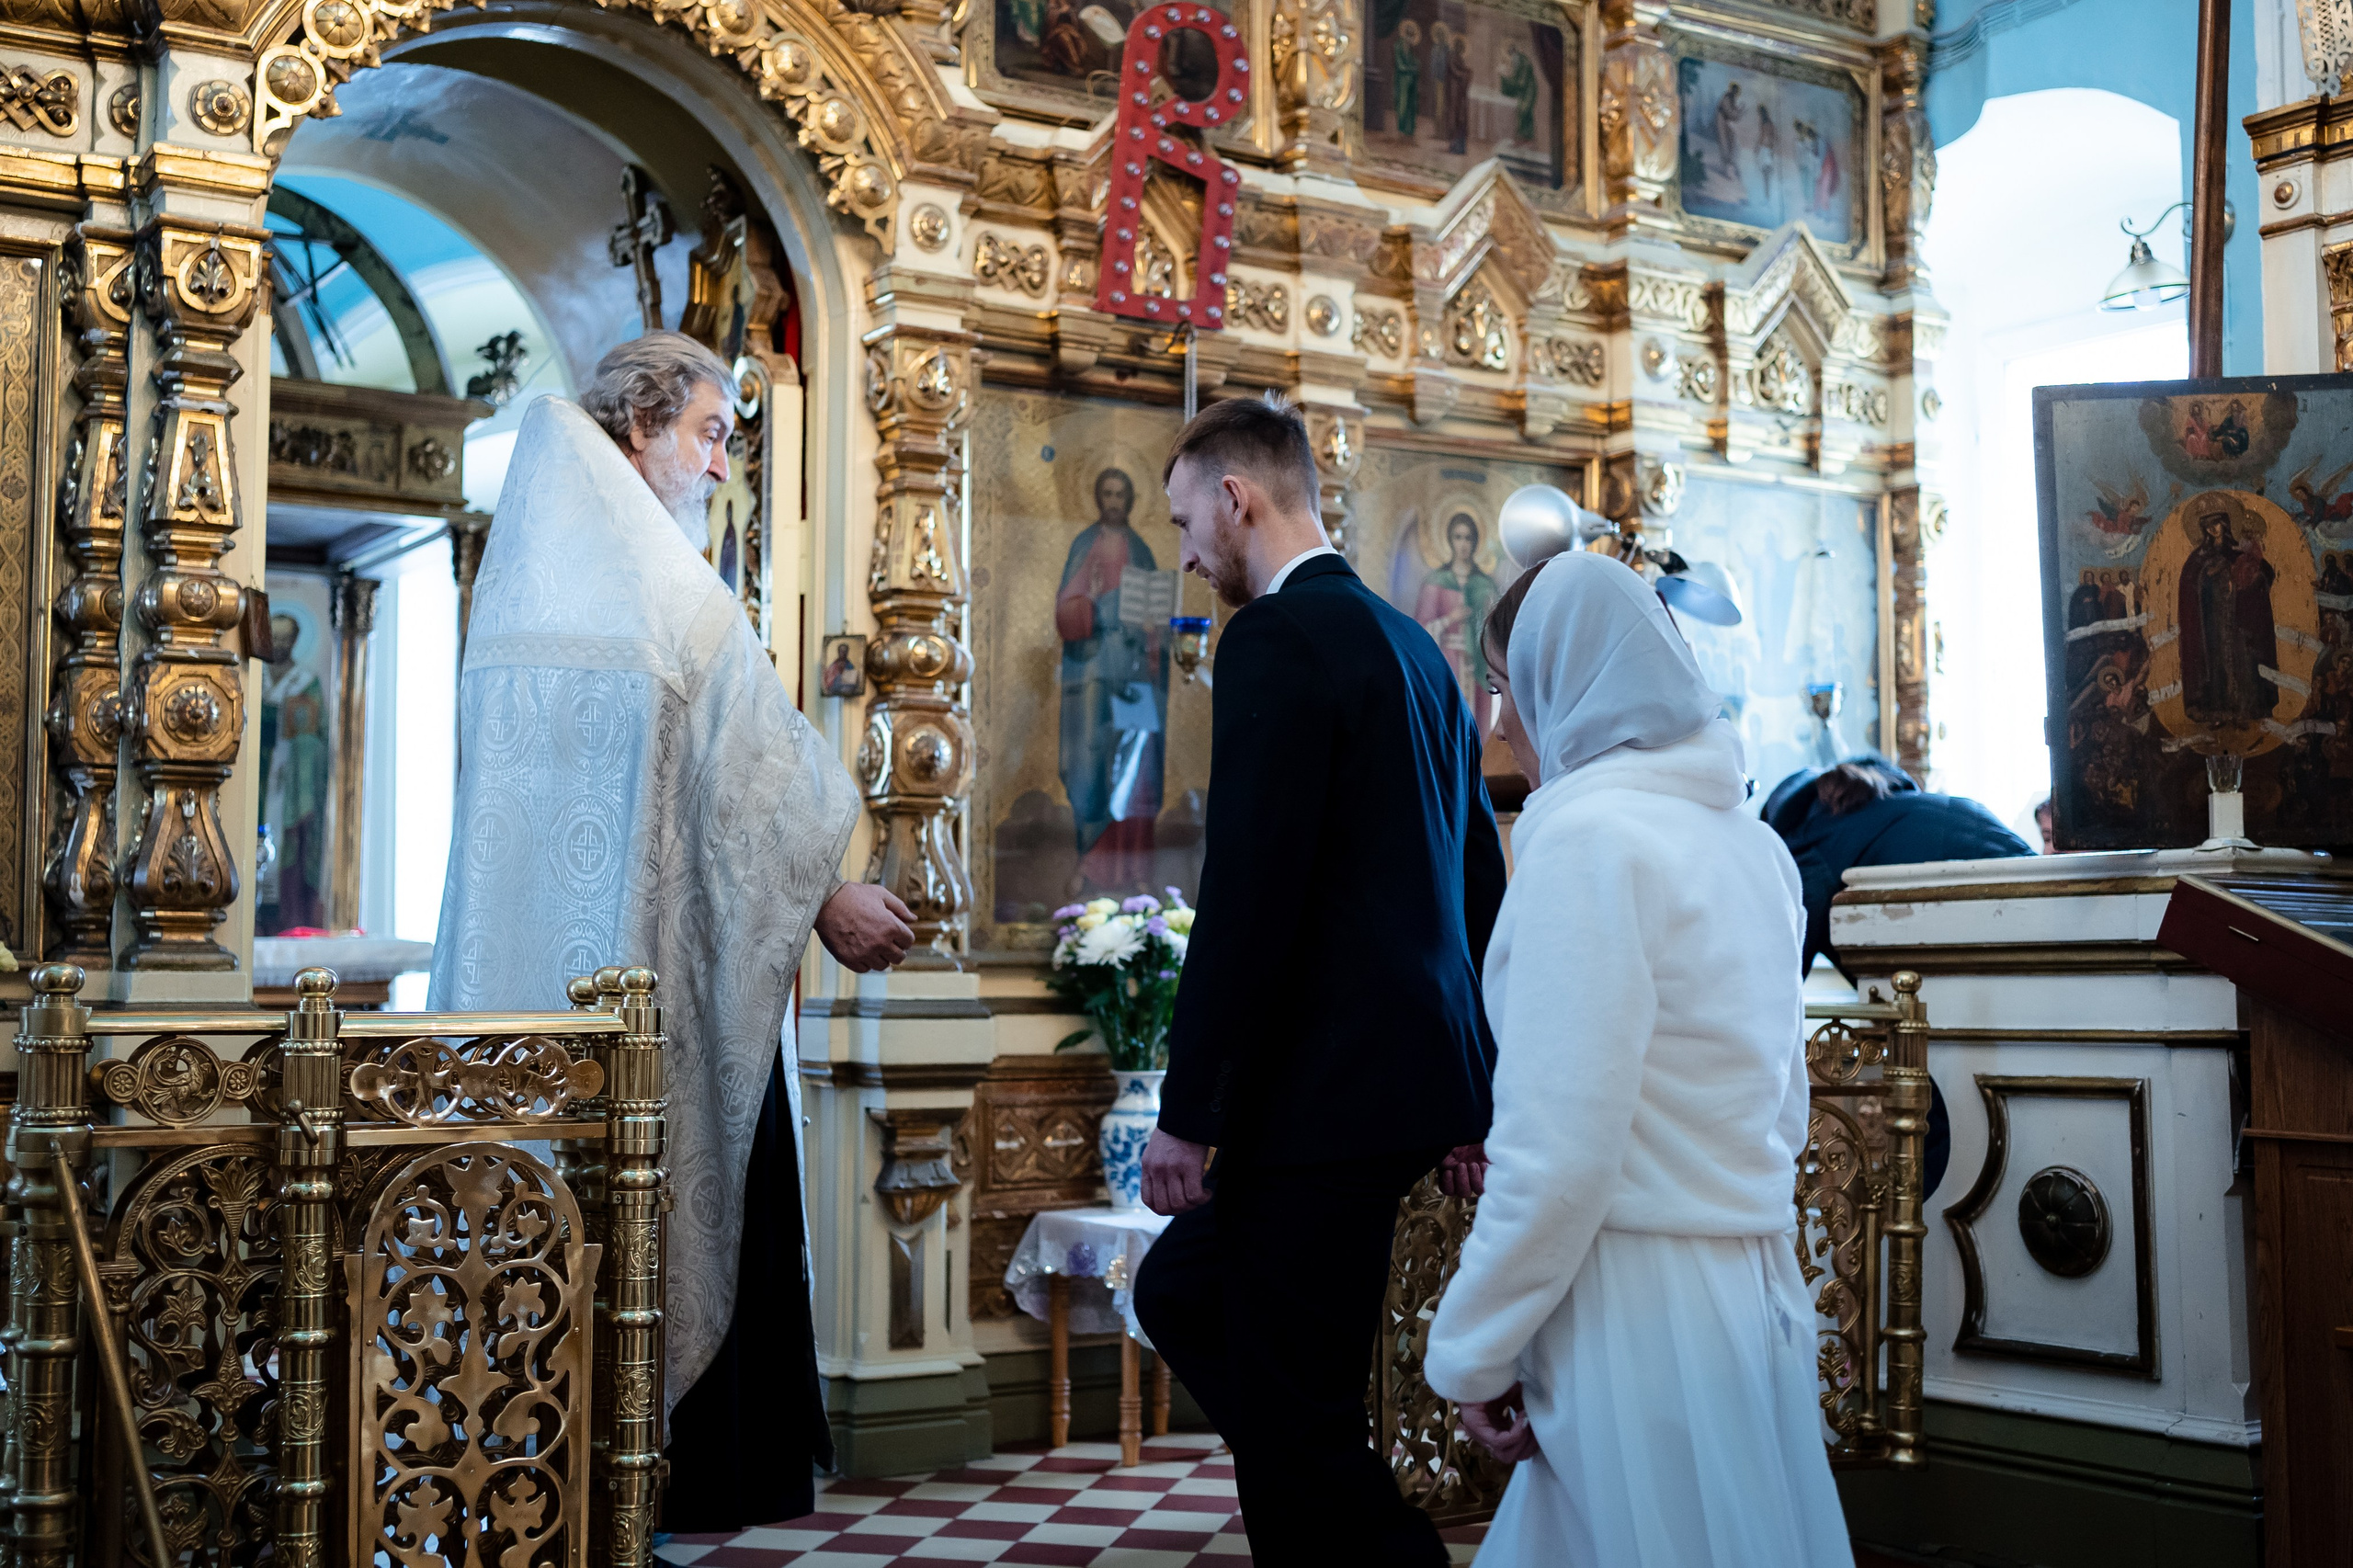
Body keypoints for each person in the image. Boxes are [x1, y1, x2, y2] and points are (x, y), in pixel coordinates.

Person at [428, 332, 917, 1532]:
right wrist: (827, 895)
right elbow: (752, 772)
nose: (716, 462)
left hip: (537, 1005)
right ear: (641, 422)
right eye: (707, 433)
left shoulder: (532, 565)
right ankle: (693, 1473)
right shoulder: (662, 580)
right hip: (660, 996)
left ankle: (540, 1466)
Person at [1132, 393, 1505, 1566]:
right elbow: (1477, 878)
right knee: (1186, 1293)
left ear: (1235, 498)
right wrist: (1475, 1089)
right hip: (1404, 1082)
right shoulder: (1413, 645)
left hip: (1320, 1096)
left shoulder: (1276, 637)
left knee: (1298, 1409)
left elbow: (1249, 890)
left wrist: (1189, 1112)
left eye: (1186, 524)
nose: (1188, 558)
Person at [1421, 551, 1849, 1568]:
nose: (1500, 725)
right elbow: (1782, 1108)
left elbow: (1557, 1148)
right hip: (1745, 1292)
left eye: (1505, 685)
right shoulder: (1751, 846)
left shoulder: (1588, 846)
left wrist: (1475, 1346)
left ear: (1564, 680)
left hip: (1632, 1309)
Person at [1763, 753, 2034, 978]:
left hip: (1963, 957)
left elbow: (1785, 968)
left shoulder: (1812, 847)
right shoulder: (1940, 805)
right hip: (2032, 918)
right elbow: (2036, 870)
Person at [1055, 467, 1168, 895]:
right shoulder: (1085, 544)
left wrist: (1151, 633)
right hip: (1092, 668)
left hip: (1134, 672)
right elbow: (1066, 610)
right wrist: (1094, 604)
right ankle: (1089, 864)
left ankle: (1135, 872)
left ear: (1132, 499)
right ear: (1098, 498)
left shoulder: (1141, 550)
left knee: (1137, 768)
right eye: (1108, 493)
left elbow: (1156, 616)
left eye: (1121, 494)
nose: (1115, 502)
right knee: (1089, 761)